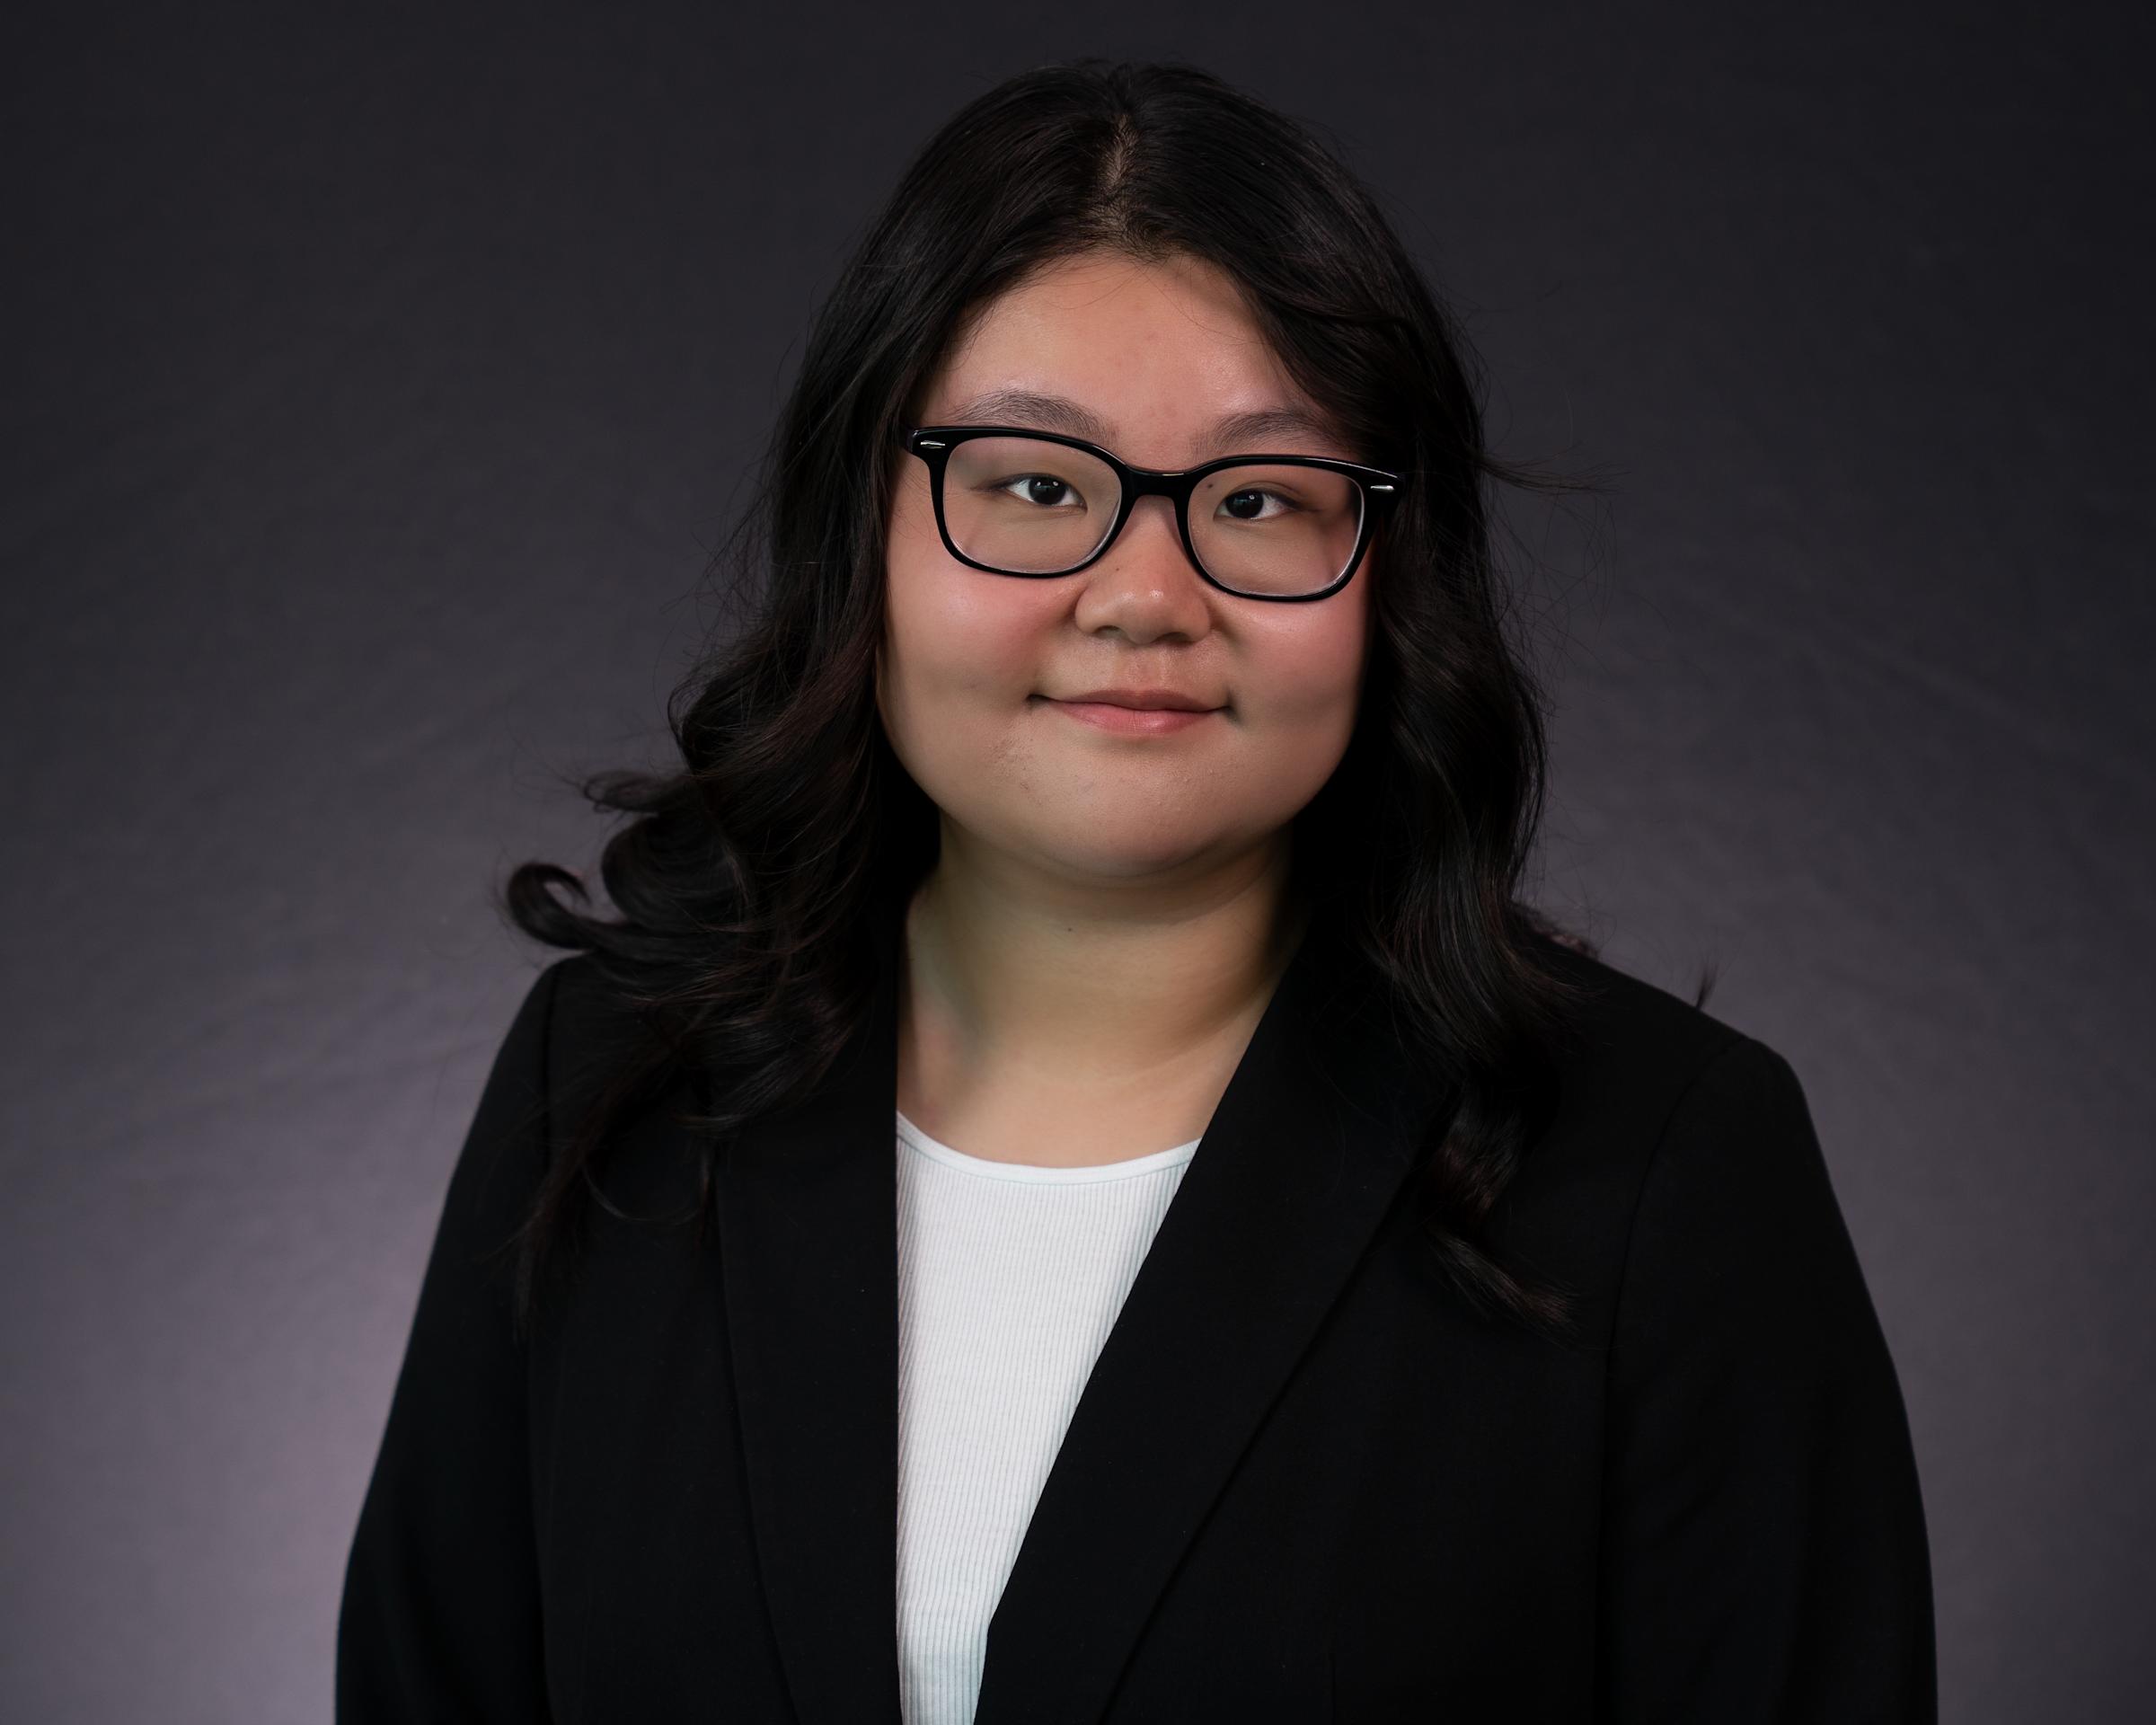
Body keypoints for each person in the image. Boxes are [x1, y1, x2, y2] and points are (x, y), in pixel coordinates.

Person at [336, 58, 1937, 1723]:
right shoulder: (604, 1088)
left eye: (1260, 500)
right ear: (857, 532)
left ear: (1394, 581)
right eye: (1035, 484)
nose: (1145, 593)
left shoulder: (1663, 1167)